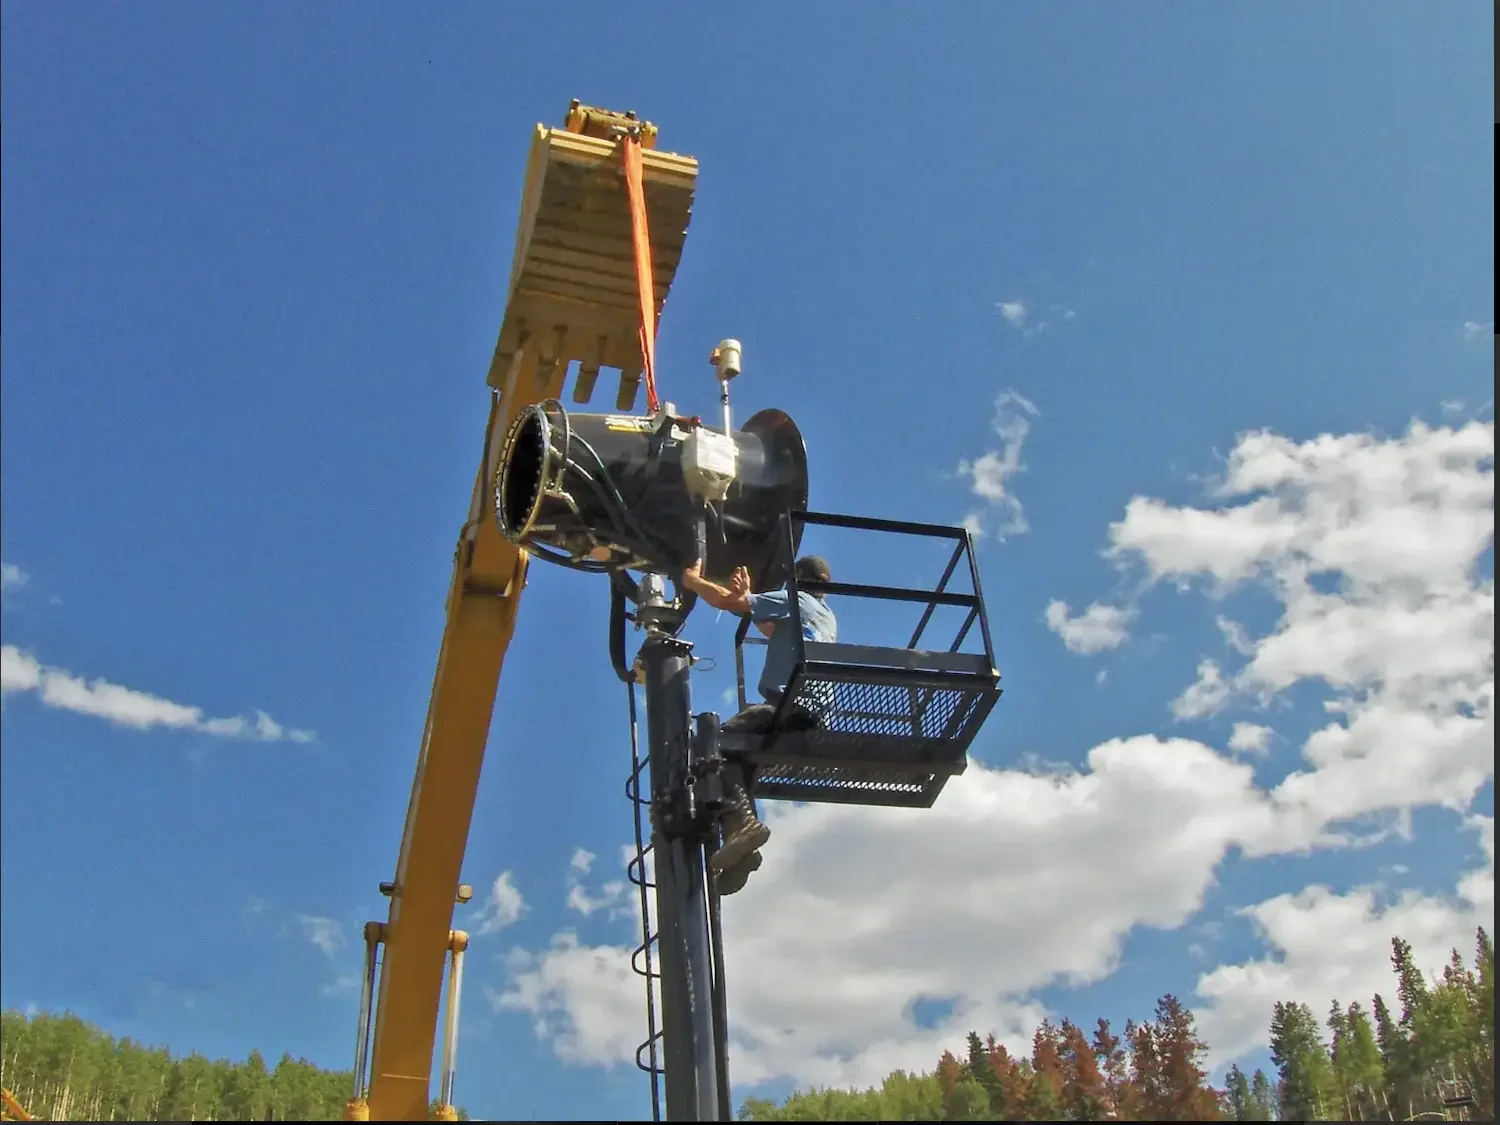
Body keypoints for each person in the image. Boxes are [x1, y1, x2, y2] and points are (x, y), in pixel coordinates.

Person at [679, 554, 838, 895]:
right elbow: (769, 626)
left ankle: (741, 827)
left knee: (716, 744)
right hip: (812, 712)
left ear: (795, 577)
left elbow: (726, 601)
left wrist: (692, 581)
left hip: (785, 705)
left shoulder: (792, 598)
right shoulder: (824, 615)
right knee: (740, 766)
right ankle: (742, 847)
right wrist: (750, 598)